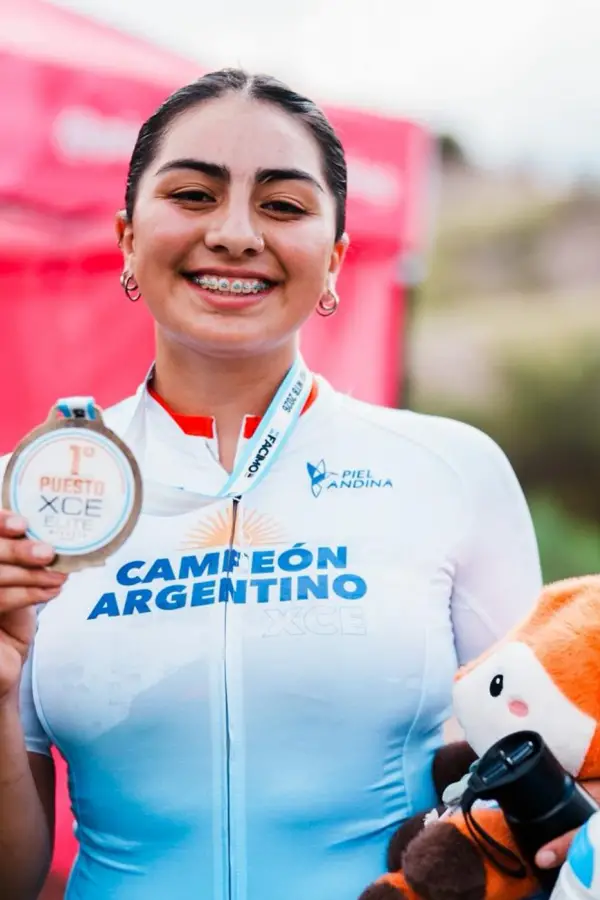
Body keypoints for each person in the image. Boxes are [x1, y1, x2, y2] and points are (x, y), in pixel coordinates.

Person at [0, 69, 544, 900]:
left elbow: (557, 773)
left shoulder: (450, 471)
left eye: (283, 205)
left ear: (335, 259)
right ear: (127, 238)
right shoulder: (30, 493)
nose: (234, 234)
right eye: (192, 194)